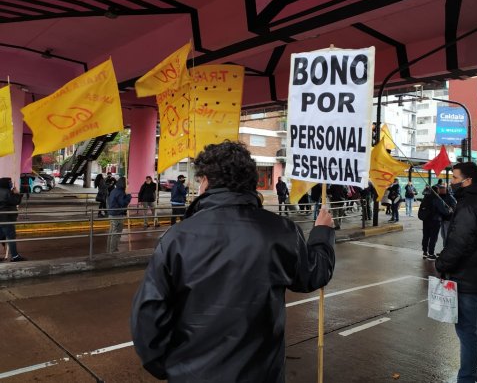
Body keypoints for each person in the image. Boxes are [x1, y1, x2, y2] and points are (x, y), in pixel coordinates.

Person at [130, 141, 335, 382]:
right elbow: (313, 274)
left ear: (206, 180)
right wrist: (321, 233)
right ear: (250, 181)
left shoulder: (177, 237)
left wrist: (170, 367)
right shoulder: (281, 231)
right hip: (261, 375)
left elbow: (148, 314)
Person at [435, 162, 477, 383]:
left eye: (454, 178)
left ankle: (466, 379)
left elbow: (458, 245)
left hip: (467, 282)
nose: (451, 182)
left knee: (467, 335)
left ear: (468, 181)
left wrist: (441, 264)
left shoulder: (469, 205)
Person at [419, 185, 451, 260]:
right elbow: (444, 211)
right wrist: (449, 210)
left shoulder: (425, 198)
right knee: (433, 237)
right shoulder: (437, 199)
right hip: (435, 221)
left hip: (426, 220)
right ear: (437, 191)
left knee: (426, 236)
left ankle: (425, 252)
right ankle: (431, 253)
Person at [0, 177, 25, 262]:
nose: (11, 183)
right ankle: (15, 256)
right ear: (5, 183)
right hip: (7, 219)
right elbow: (16, 201)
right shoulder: (7, 192)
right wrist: (17, 193)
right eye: (9, 182)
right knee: (11, 237)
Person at [107, 177, 131, 253]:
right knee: (116, 234)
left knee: (112, 233)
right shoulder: (121, 192)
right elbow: (123, 203)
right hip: (117, 215)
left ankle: (109, 250)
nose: (128, 184)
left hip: (112, 214)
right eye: (127, 183)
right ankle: (113, 250)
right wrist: (128, 195)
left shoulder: (114, 190)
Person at [438, 183, 457, 247]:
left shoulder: (450, 197)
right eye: (440, 189)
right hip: (442, 219)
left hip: (448, 219)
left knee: (447, 235)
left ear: (445, 190)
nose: (440, 190)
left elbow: (454, 207)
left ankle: (447, 250)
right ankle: (445, 249)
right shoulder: (439, 196)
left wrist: (449, 211)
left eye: (442, 189)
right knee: (443, 235)